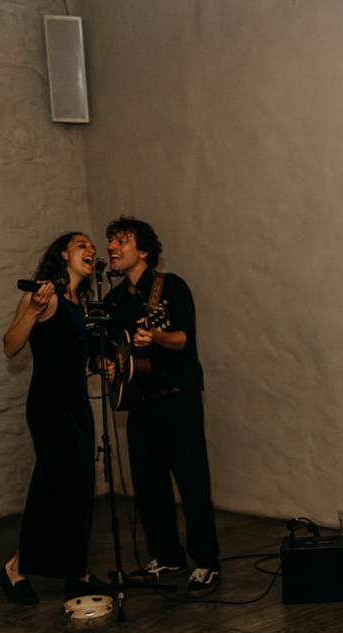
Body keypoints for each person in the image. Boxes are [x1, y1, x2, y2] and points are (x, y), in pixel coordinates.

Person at [105, 216, 220, 598]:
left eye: (121, 240)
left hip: (178, 399)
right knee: (148, 484)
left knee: (192, 481)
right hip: (138, 401)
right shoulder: (114, 300)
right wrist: (108, 364)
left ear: (143, 250)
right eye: (110, 241)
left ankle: (206, 561)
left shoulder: (171, 287)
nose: (111, 247)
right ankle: (168, 555)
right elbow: (109, 348)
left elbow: (183, 338)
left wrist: (156, 335)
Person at [0, 233, 109, 605]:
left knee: (79, 487)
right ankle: (16, 568)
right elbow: (10, 346)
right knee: (58, 486)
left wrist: (101, 363)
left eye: (92, 246)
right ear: (62, 254)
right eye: (81, 245)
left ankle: (76, 573)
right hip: (49, 405)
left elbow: (78, 355)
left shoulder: (82, 304)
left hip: (77, 404)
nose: (91, 250)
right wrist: (32, 311)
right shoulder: (43, 296)